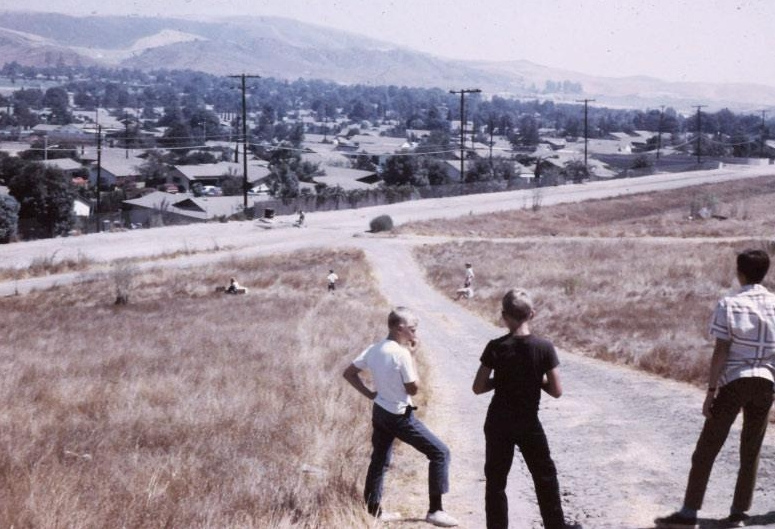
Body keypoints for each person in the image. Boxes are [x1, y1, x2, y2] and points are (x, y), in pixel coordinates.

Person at [655, 249, 775, 529]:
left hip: (735, 381)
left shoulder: (729, 303)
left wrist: (710, 391)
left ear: (740, 272)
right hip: (766, 382)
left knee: (707, 447)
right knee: (751, 448)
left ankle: (689, 511)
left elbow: (721, 351)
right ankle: (739, 513)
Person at [472, 289, 580, 529]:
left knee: (496, 481)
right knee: (544, 477)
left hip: (498, 421)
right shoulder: (544, 347)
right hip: (528, 422)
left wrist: (501, 380)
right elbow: (556, 390)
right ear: (532, 313)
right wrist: (533, 379)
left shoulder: (495, 347)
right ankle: (555, 525)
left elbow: (478, 387)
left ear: (504, 315)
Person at [343, 307, 459, 527]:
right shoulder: (402, 353)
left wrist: (370, 394)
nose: (416, 332)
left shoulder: (374, 348)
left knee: (379, 460)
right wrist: (413, 357)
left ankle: (373, 511)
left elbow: (349, 373)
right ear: (399, 328)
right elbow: (413, 389)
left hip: (380, 410)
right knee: (440, 453)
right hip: (398, 415)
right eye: (412, 328)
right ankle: (435, 510)